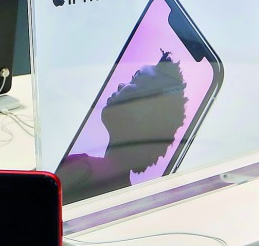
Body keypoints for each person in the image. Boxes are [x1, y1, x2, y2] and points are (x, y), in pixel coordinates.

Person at [55, 51, 189, 202]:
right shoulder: (125, 197)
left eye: (135, 79)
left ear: (144, 109)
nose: (121, 85)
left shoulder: (84, 168)